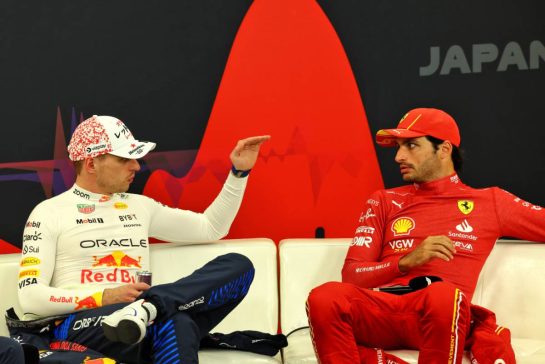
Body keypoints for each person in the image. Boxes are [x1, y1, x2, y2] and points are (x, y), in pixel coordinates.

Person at [9, 115, 270, 363]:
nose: (136, 165)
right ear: (91, 164)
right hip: (79, 324)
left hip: (141, 323)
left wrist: (239, 173)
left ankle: (149, 308)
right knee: (176, 321)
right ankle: (151, 310)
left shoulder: (140, 206)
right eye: (125, 159)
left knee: (239, 265)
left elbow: (211, 228)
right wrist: (105, 296)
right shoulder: (48, 212)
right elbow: (31, 297)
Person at [306, 108, 545, 364]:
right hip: (380, 313)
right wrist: (406, 261)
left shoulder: (491, 202)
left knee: (444, 295)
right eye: (398, 147)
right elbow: (352, 276)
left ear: (443, 149)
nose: (398, 156)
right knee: (324, 297)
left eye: (411, 145)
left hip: (438, 316)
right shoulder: (384, 200)